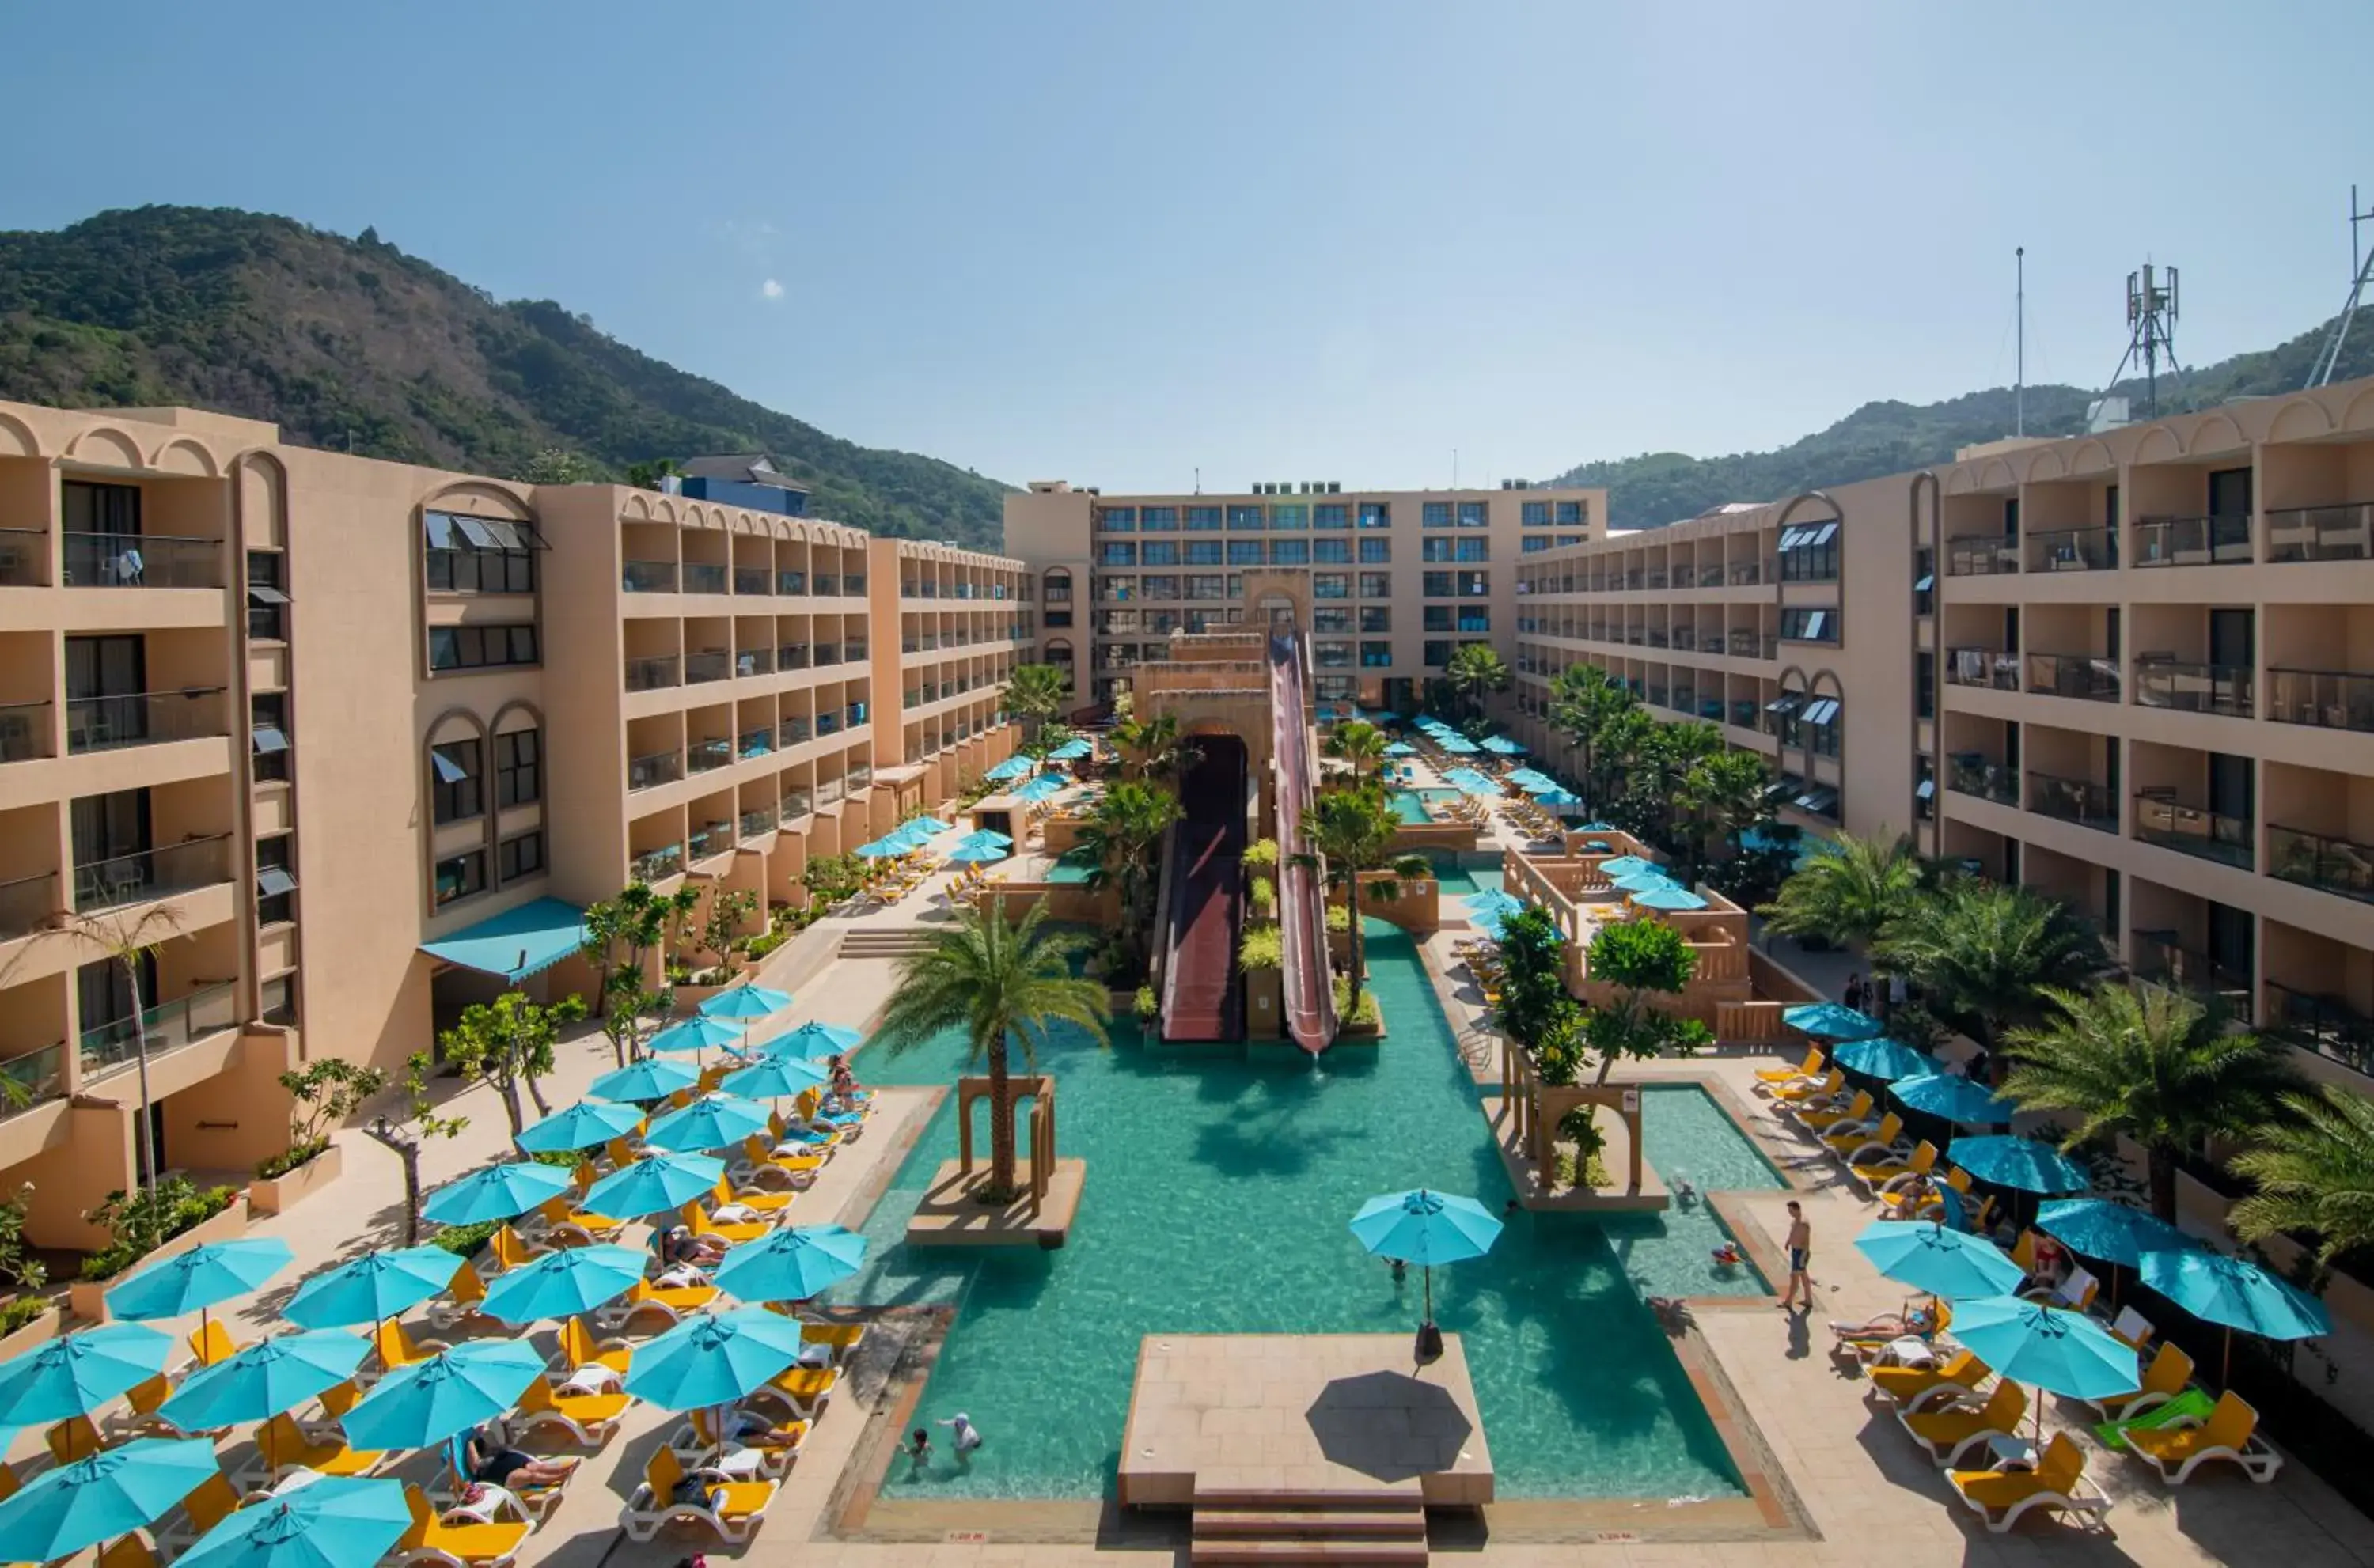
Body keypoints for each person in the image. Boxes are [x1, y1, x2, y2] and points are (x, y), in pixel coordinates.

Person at [465, 1425, 578, 1490]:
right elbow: (474, 1464)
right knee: (531, 1475)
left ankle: (564, 1469)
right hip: (505, 1476)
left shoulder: (491, 1451)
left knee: (538, 1467)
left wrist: (505, 1429)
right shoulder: (479, 1464)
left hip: (514, 1463)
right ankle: (559, 1477)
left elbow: (507, 1446)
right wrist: (470, 1441)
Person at [1777, 1200, 1812, 1312]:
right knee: (1804, 1277)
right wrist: (1788, 1242)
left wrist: (1803, 1257)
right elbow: (1792, 1233)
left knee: (1794, 1279)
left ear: (1797, 1209)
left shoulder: (1804, 1224)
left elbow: (1807, 1242)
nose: (1790, 1213)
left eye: (1791, 1211)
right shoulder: (1795, 1221)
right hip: (1795, 1251)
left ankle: (1788, 1301)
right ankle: (1808, 1300)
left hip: (1801, 1253)